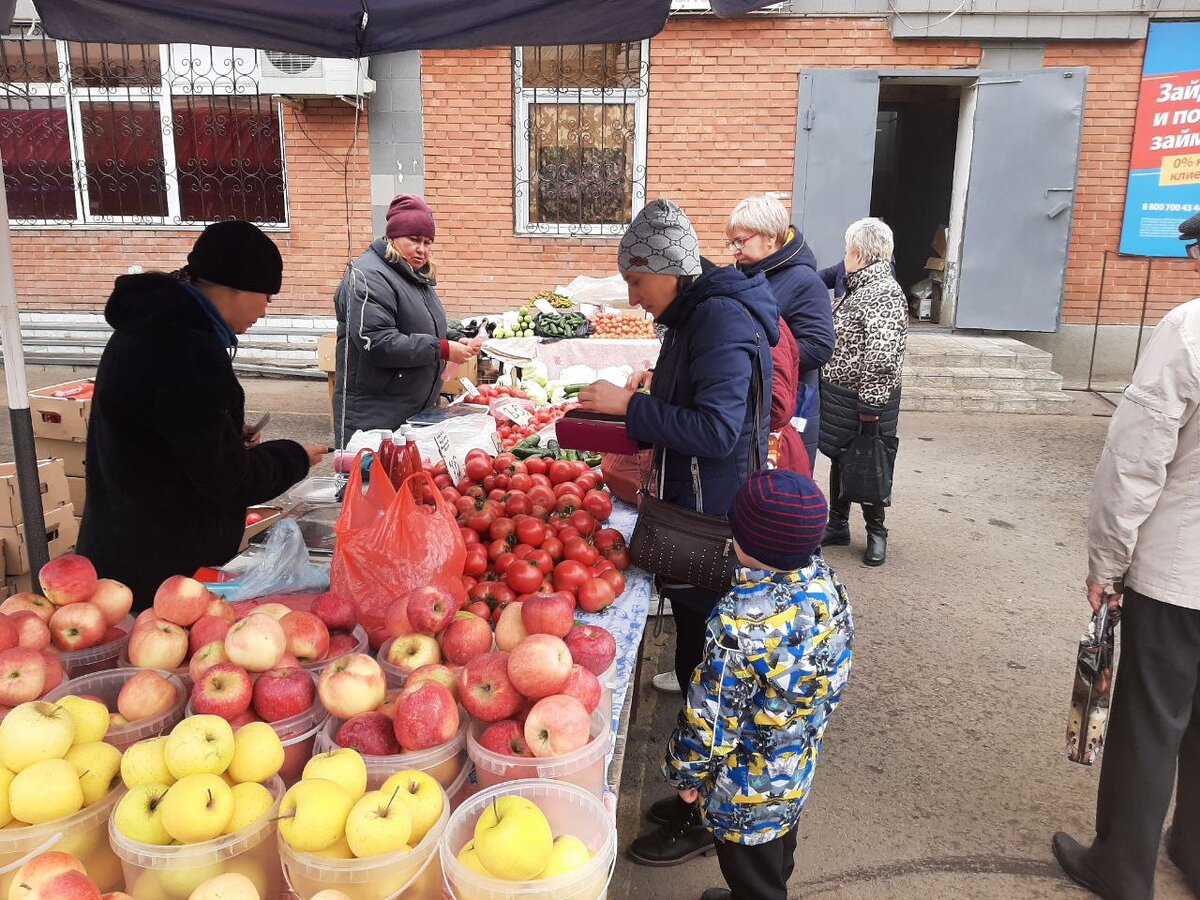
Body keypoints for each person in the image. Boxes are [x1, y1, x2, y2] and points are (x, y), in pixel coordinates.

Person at [579, 198, 777, 866]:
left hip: (711, 520)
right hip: (700, 511)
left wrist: (632, 408)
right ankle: (700, 797)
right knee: (699, 658)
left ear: (669, 271)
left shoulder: (718, 317)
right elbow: (703, 402)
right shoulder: (698, 312)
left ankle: (705, 814)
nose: (634, 297)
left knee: (710, 669)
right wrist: (656, 390)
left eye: (636, 281)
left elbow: (719, 431)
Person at [1052, 211, 1200, 900]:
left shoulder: (1188, 330)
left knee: (1149, 718)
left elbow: (1136, 459)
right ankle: (1193, 849)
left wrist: (1106, 563)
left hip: (1180, 571)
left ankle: (1122, 865)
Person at [79, 221, 327, 610]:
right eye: (266, 296)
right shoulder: (187, 350)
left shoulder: (150, 326)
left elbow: (162, 431)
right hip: (160, 573)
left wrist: (226, 432)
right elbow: (230, 479)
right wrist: (294, 456)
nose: (266, 310)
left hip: (125, 543)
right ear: (235, 287)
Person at [643, 470, 854, 898]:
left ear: (741, 541)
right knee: (779, 848)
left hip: (744, 789)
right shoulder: (826, 585)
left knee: (752, 872)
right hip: (796, 763)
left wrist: (684, 774)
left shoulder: (736, 623)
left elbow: (711, 719)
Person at [333, 194, 480, 446]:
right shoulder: (369, 276)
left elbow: (420, 325)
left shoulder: (413, 275)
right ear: (393, 237)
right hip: (375, 417)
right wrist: (442, 349)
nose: (422, 249)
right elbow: (377, 342)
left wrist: (457, 339)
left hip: (409, 411)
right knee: (372, 472)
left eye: (427, 242)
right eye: (414, 239)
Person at [819, 217, 907, 567]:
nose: (843, 257)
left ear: (857, 253)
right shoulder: (860, 286)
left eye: (846, 251)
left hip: (865, 401)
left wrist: (870, 406)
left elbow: (882, 356)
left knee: (869, 460)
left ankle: (876, 532)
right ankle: (837, 524)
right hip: (842, 396)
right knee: (841, 455)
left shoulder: (883, 292)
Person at [728, 195, 834, 464]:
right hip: (755, 400)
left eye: (740, 241)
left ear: (770, 237)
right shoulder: (745, 275)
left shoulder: (806, 282)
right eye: (732, 243)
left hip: (789, 404)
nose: (734, 250)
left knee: (781, 480)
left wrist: (757, 356)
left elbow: (820, 346)